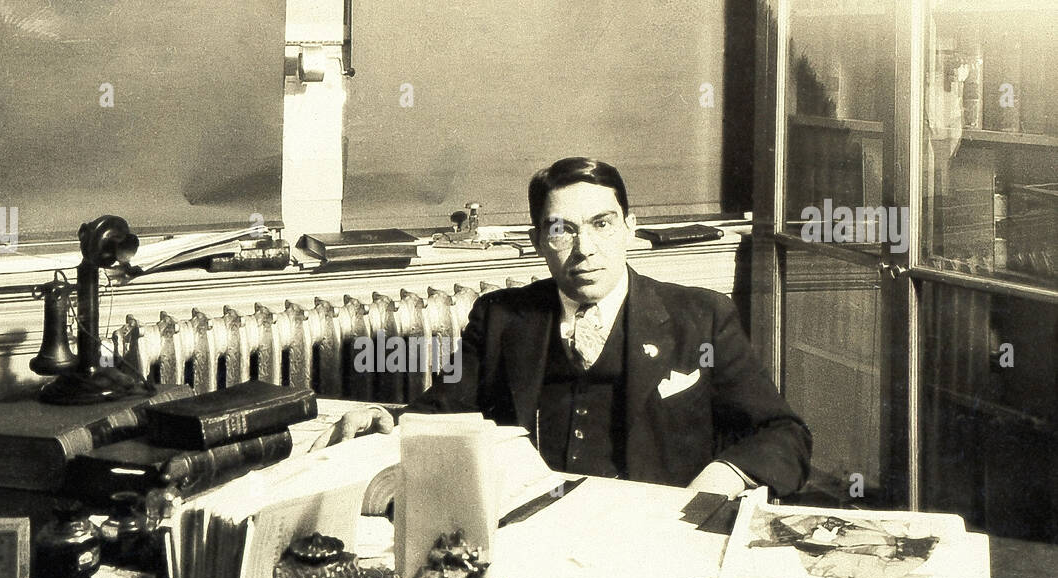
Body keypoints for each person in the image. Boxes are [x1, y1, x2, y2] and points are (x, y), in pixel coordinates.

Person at [325, 156, 811, 498]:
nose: (584, 249)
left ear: (630, 227)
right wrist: (386, 420)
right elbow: (444, 409)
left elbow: (783, 433)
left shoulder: (701, 318)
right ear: (538, 240)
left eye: (602, 224)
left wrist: (719, 480)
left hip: (653, 531)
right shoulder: (501, 317)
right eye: (562, 230)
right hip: (532, 528)